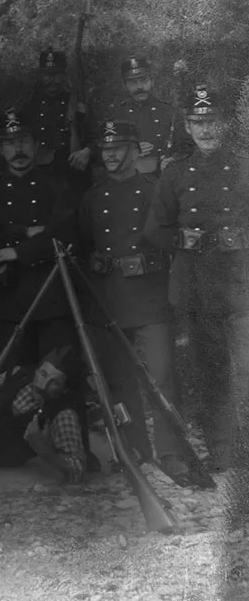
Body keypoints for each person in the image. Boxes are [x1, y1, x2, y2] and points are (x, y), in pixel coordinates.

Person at [145, 84, 249, 476]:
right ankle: (223, 451)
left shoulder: (243, 166)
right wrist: (181, 239)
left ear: (224, 123)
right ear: (187, 127)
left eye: (211, 121)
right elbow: (154, 229)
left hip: (240, 284)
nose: (205, 130)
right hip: (197, 287)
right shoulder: (174, 174)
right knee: (210, 372)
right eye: (197, 122)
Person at [76, 119, 184, 476]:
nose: (110, 155)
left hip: (150, 296)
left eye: (118, 148)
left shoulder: (154, 191)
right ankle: (135, 448)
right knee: (120, 380)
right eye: (106, 149)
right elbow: (83, 245)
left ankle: (170, 453)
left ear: (136, 151)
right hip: (110, 299)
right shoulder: (92, 198)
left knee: (161, 375)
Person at [0, 108, 76, 368]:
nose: (18, 149)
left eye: (24, 141)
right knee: (14, 380)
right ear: (0, 148)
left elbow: (64, 234)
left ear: (36, 145)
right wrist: (24, 232)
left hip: (51, 297)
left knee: (54, 377)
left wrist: (17, 252)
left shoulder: (56, 186)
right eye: (10, 143)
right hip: (9, 300)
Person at [0, 347, 92, 484]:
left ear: (64, 389)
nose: (43, 384)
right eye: (43, 374)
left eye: (55, 382)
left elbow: (77, 469)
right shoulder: (21, 373)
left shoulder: (63, 414)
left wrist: (42, 448)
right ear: (37, 370)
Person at [20, 48, 92, 194]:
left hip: (74, 177)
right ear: (40, 76)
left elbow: (95, 136)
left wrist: (87, 152)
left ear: (64, 75)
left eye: (56, 74)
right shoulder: (30, 108)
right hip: (41, 178)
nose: (51, 80)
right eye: (47, 75)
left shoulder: (78, 104)